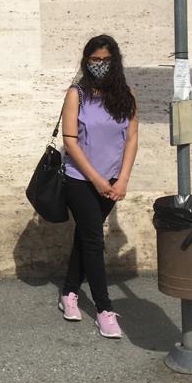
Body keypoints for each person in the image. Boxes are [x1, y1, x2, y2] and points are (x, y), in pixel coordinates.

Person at [59, 34, 139, 339]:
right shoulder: (76, 94)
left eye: (106, 60)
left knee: (85, 237)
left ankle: (68, 292)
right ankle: (104, 310)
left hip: (112, 182)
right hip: (80, 179)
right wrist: (96, 179)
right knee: (93, 241)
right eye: (94, 60)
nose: (100, 65)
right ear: (86, 61)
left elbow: (131, 139)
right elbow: (70, 140)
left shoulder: (127, 95)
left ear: (115, 61)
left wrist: (123, 179)